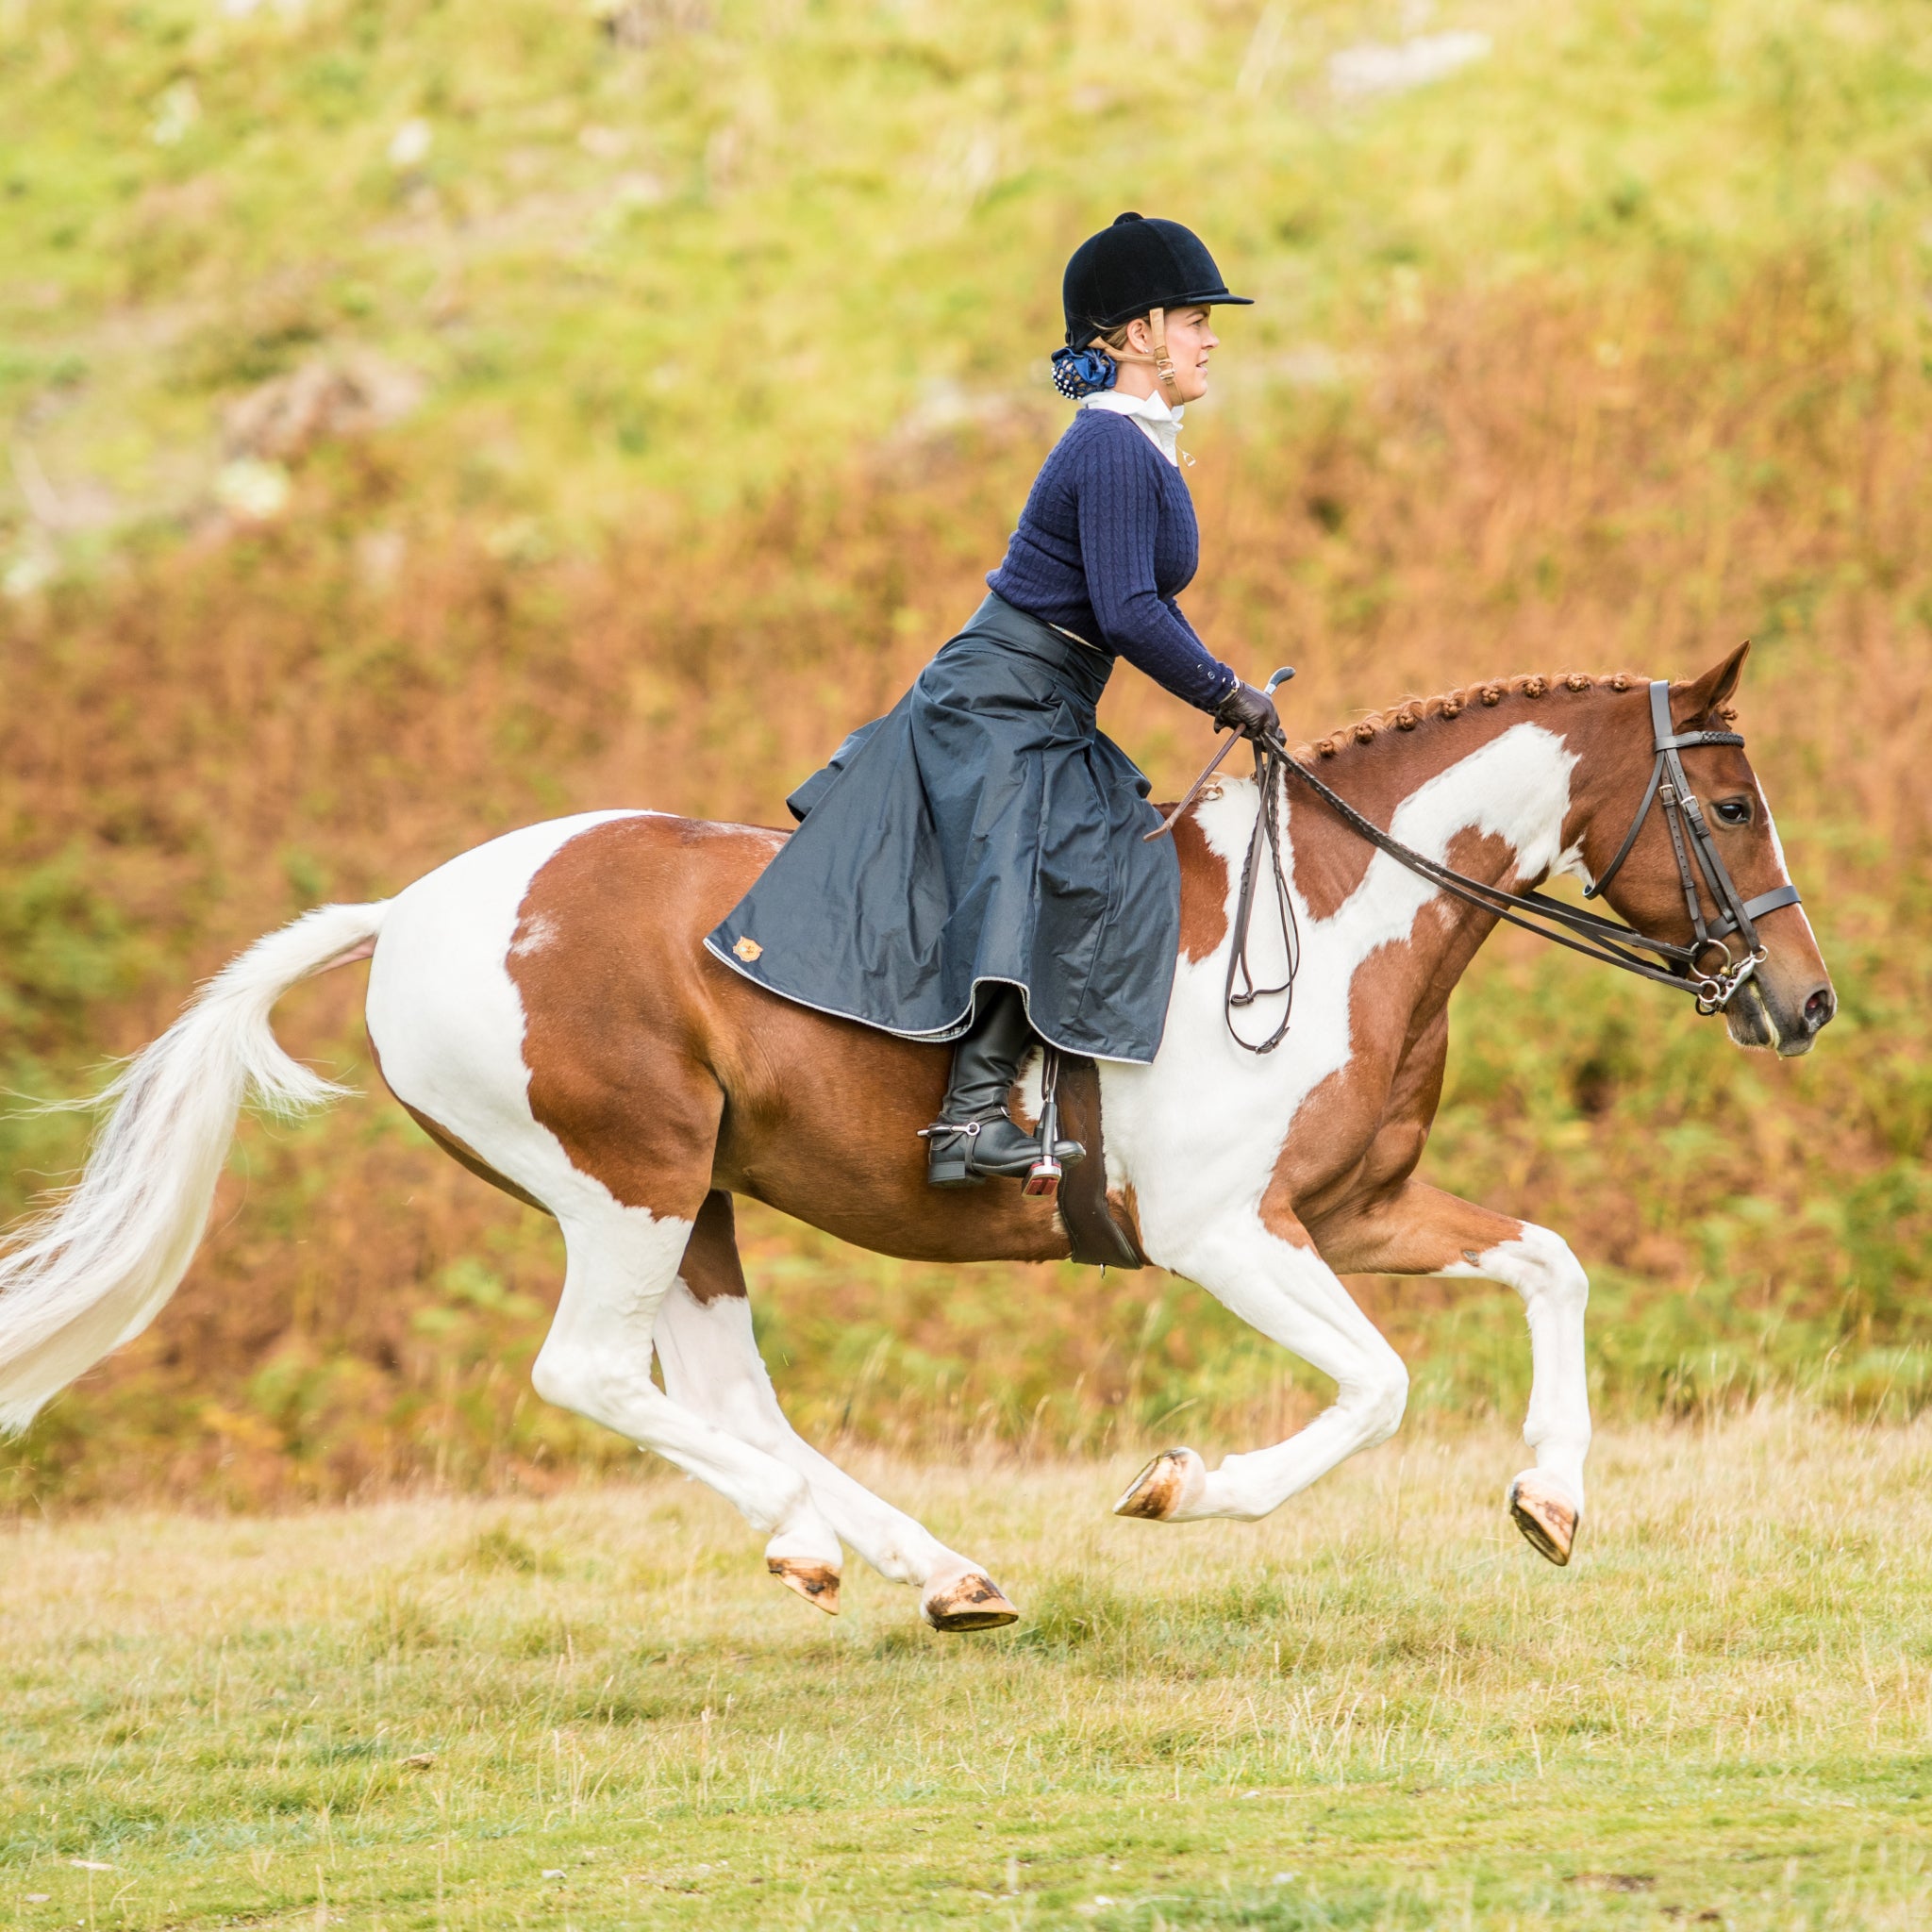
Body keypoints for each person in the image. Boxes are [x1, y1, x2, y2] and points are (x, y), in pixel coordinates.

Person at [708, 213, 1282, 1188]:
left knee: (1095, 841)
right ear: (1137, 335)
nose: (1209, 338)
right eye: (1192, 319)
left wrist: (1231, 691)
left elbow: (1140, 607)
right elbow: (1129, 610)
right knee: (1049, 852)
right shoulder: (1108, 445)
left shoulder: (1139, 441)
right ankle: (968, 1119)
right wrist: (1226, 693)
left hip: (1046, 689)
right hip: (1000, 694)